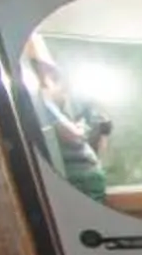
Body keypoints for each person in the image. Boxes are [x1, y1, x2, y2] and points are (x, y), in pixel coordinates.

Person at [20, 37, 113, 205]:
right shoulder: (39, 102)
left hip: (88, 187)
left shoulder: (57, 109)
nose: (51, 78)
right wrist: (79, 130)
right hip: (78, 188)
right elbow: (72, 136)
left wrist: (100, 130)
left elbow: (91, 148)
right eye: (47, 71)